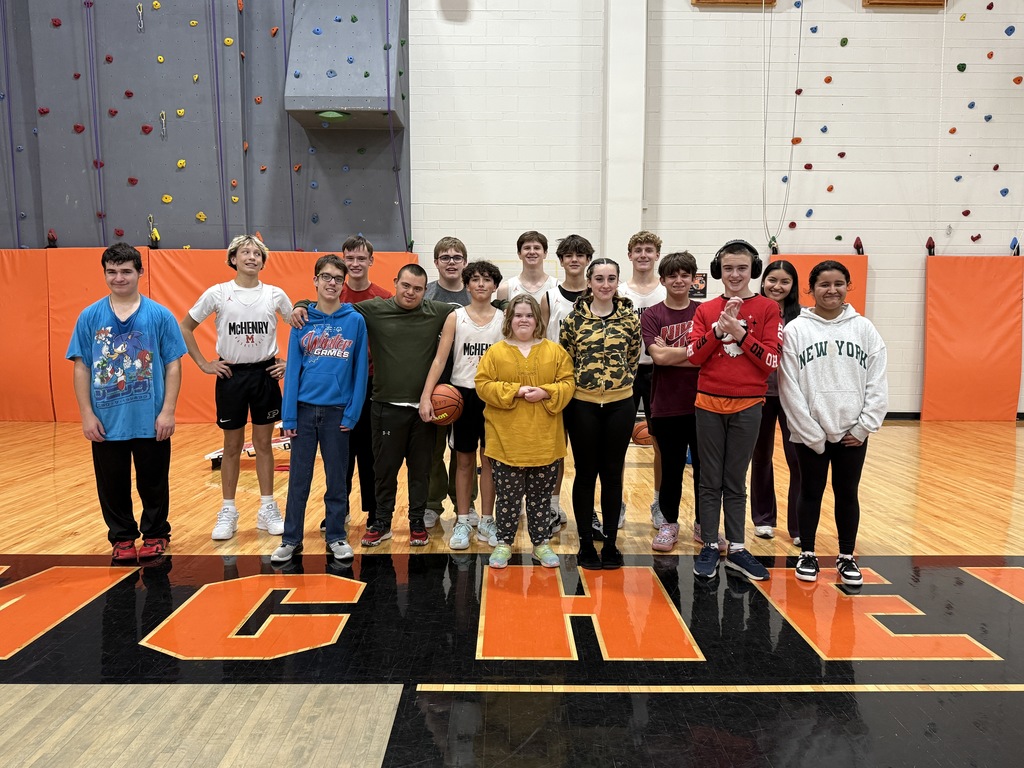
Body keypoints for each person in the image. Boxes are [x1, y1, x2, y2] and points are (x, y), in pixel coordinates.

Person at [294, 264, 458, 547]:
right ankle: (382, 521)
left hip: (423, 410)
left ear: (425, 291)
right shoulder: (373, 309)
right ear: (395, 282)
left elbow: (470, 310)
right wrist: (301, 305)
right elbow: (333, 305)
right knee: (384, 471)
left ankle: (417, 522)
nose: (411, 292)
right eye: (406, 286)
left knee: (421, 471)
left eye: (418, 289)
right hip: (385, 406)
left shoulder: (438, 312)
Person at [67, 243, 187, 562]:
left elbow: (173, 363)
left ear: (139, 273)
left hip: (151, 418)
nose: (119, 278)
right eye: (112, 271)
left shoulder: (159, 315)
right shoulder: (90, 316)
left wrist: (168, 410)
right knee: (112, 485)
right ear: (105, 273)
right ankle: (121, 538)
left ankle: (156, 533)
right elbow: (82, 366)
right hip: (107, 420)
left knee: (153, 482)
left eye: (126, 271)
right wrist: (87, 414)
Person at [779, 260, 888, 586]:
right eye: (824, 284)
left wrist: (864, 425)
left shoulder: (864, 329)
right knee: (810, 492)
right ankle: (808, 553)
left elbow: (877, 380)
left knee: (847, 493)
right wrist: (810, 432)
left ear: (847, 286)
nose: (832, 290)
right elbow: (789, 384)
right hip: (810, 433)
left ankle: (846, 557)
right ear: (811, 289)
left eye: (838, 283)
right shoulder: (797, 329)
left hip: (852, 433)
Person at [179, 234, 292, 541]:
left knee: (265, 445)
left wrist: (290, 363)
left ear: (263, 261)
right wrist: (204, 364)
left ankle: (267, 508)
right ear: (233, 259)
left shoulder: (275, 294)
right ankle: (228, 510)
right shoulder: (218, 293)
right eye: (245, 252)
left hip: (265, 373)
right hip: (231, 375)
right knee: (231, 447)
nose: (252, 257)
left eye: (257, 253)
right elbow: (186, 326)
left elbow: (300, 327)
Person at [687, 240, 782, 582]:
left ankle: (738, 548)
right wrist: (718, 329)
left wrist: (740, 332)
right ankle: (711, 544)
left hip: (748, 406)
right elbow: (694, 356)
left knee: (735, 480)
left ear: (752, 270)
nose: (735, 274)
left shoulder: (769, 309)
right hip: (708, 404)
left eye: (742, 268)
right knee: (710, 480)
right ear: (718, 271)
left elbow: (771, 362)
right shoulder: (705, 310)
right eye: (728, 268)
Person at [271, 256, 368, 563]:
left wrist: (353, 412)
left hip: (338, 412)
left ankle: (337, 535)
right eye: (325, 277)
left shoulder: (355, 321)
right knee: (298, 478)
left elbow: (360, 370)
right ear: (314, 281)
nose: (331, 283)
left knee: (337, 479)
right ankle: (291, 538)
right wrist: (288, 415)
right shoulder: (302, 321)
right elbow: (294, 368)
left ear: (344, 283)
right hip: (302, 411)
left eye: (337, 278)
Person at [475, 295, 575, 568]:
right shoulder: (495, 352)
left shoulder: (555, 351)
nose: (523, 320)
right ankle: (504, 543)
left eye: (529, 315)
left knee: (541, 498)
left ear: (537, 321)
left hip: (544, 440)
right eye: (518, 315)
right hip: (506, 440)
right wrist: (515, 391)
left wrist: (546, 391)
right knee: (507, 497)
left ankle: (540, 544)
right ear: (509, 320)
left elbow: (568, 383)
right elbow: (483, 385)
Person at [560, 258, 641, 570]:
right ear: (589, 282)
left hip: (621, 404)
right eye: (599, 279)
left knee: (611, 473)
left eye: (611, 278)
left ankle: (610, 542)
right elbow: (566, 359)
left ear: (617, 281)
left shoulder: (629, 318)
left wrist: (618, 385)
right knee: (585, 472)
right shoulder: (573, 320)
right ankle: (584, 543)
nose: (605, 284)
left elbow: (633, 356)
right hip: (583, 404)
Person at [322, 236, 392, 534]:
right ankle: (340, 509)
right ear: (343, 259)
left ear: (371, 261)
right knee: (339, 452)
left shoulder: (384, 297)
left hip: (373, 385)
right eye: (350, 258)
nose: (355, 264)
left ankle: (375, 512)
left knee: (370, 452)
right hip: (339, 385)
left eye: (361, 259)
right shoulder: (334, 293)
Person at [641, 251, 702, 553]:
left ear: (694, 278)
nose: (679, 280)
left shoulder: (706, 312)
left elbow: (709, 357)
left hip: (705, 404)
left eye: (685, 274)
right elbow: (658, 357)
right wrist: (693, 352)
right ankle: (669, 522)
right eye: (673, 275)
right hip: (666, 404)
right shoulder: (653, 314)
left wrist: (672, 355)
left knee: (706, 470)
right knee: (672, 469)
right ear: (662, 279)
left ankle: (705, 523)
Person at [444, 260, 504, 551]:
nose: (481, 284)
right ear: (467, 285)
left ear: (495, 286)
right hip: (462, 396)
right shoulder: (456, 317)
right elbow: (440, 359)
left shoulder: (504, 319)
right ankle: (463, 520)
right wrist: (430, 393)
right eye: (476, 279)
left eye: (487, 279)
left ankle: (488, 519)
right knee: (464, 461)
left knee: (490, 461)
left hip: (494, 398)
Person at [422, 236, 479, 531]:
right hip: (437, 384)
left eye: (457, 257)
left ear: (465, 262)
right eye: (445, 257)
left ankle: (464, 504)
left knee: (464, 449)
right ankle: (432, 504)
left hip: (468, 384)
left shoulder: (476, 295)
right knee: (432, 450)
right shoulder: (426, 294)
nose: (452, 262)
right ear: (436, 263)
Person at [540, 234, 594, 536]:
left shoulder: (599, 293)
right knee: (555, 449)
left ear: (587, 260)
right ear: (561, 261)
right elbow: (542, 339)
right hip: (558, 382)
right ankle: (552, 504)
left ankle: (591, 510)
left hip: (590, 384)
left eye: (580, 255)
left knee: (590, 452)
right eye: (569, 255)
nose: (574, 260)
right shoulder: (550, 296)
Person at [749, 260, 802, 543]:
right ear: (763, 280)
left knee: (798, 459)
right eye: (772, 280)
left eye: (784, 282)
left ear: (793, 286)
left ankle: (798, 526)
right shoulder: (753, 312)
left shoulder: (803, 318)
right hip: (760, 393)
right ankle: (763, 519)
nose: (777, 286)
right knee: (761, 457)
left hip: (794, 396)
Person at [621, 231, 668, 531]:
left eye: (648, 250)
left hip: (660, 371)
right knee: (617, 445)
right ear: (630, 255)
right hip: (626, 370)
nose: (643, 255)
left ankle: (659, 504)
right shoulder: (620, 291)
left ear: (656, 255)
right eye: (637, 250)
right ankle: (618, 503)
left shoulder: (665, 292)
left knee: (660, 442)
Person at [496, 231, 557, 303]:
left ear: (545, 253)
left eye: (537, 248)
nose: (532, 252)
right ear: (519, 254)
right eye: (527, 248)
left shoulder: (556, 286)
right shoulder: (506, 289)